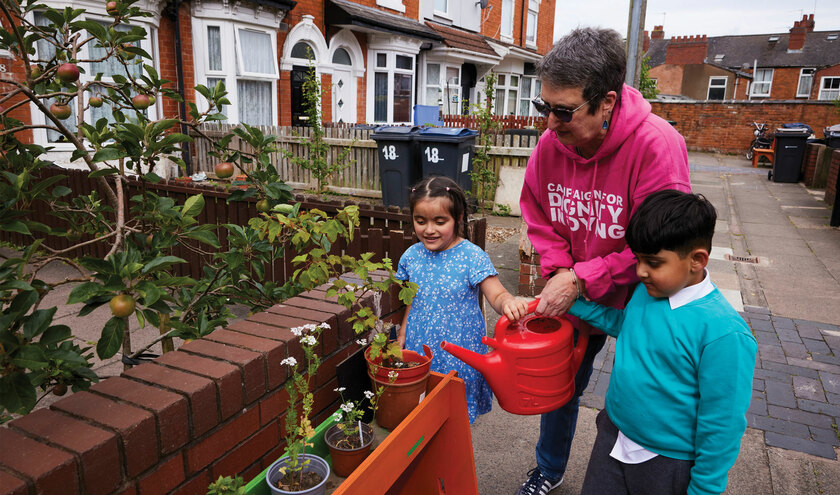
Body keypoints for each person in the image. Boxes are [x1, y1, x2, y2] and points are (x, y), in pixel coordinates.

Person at [517, 27, 691, 495]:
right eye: (543, 107)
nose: (549, 123)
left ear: (607, 103)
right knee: (561, 387)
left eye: (563, 110)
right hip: (577, 291)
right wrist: (559, 271)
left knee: (640, 397)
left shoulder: (658, 146)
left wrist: (582, 276)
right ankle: (549, 469)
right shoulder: (551, 144)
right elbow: (537, 210)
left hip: (644, 298)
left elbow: (659, 244)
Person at [569, 190, 757, 495]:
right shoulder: (650, 290)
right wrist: (575, 304)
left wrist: (704, 489)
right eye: (638, 259)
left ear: (697, 260)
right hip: (614, 435)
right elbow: (628, 327)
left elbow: (722, 425)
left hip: (669, 463)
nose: (641, 271)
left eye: (654, 262)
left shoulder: (724, 334)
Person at [397, 175, 529, 423]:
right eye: (420, 220)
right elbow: (412, 300)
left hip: (461, 353)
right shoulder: (411, 256)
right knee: (422, 413)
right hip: (420, 347)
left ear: (457, 218)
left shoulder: (471, 256)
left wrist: (508, 302)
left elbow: (496, 293)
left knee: (455, 416)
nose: (429, 229)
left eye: (439, 221)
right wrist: (403, 333)